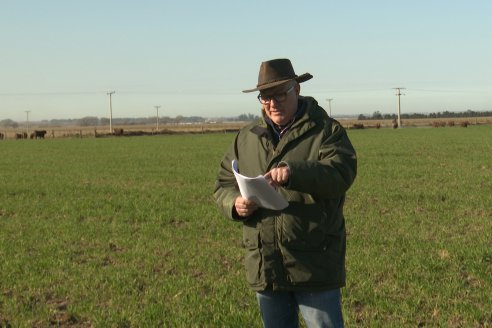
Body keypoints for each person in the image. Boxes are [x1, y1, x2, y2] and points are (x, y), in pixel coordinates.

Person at [214, 58, 357, 328]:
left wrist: (294, 173)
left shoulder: (326, 130)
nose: (273, 103)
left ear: (297, 90)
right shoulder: (247, 137)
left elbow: (341, 173)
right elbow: (223, 181)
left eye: (280, 94)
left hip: (314, 263)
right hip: (266, 264)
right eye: (265, 97)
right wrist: (235, 204)